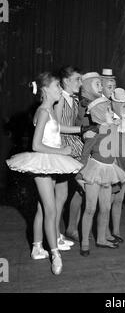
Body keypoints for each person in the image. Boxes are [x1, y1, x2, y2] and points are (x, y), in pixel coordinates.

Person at [6, 72, 83, 275]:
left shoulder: (51, 109)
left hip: (52, 162)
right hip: (43, 162)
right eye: (57, 86)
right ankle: (55, 255)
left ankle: (37, 246)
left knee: (43, 208)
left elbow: (56, 132)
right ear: (45, 89)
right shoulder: (42, 112)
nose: (60, 89)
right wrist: (62, 152)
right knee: (51, 209)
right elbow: (36, 144)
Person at [79, 98, 125, 256]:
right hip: (94, 170)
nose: (111, 113)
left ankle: (101, 238)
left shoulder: (114, 129)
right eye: (108, 110)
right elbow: (85, 154)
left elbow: (121, 149)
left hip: (109, 170)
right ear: (99, 113)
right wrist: (80, 176)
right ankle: (85, 242)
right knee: (90, 208)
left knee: (106, 207)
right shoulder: (94, 132)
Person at [53, 66, 84, 249]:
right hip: (62, 147)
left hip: (75, 144)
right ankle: (55, 234)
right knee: (62, 195)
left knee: (73, 191)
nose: (80, 83)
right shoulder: (59, 100)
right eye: (77, 79)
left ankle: (71, 228)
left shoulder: (75, 99)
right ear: (65, 81)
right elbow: (56, 126)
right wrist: (81, 129)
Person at [109, 87, 125, 243]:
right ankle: (105, 232)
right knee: (108, 201)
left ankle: (116, 232)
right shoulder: (110, 119)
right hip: (113, 163)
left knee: (119, 199)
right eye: (124, 105)